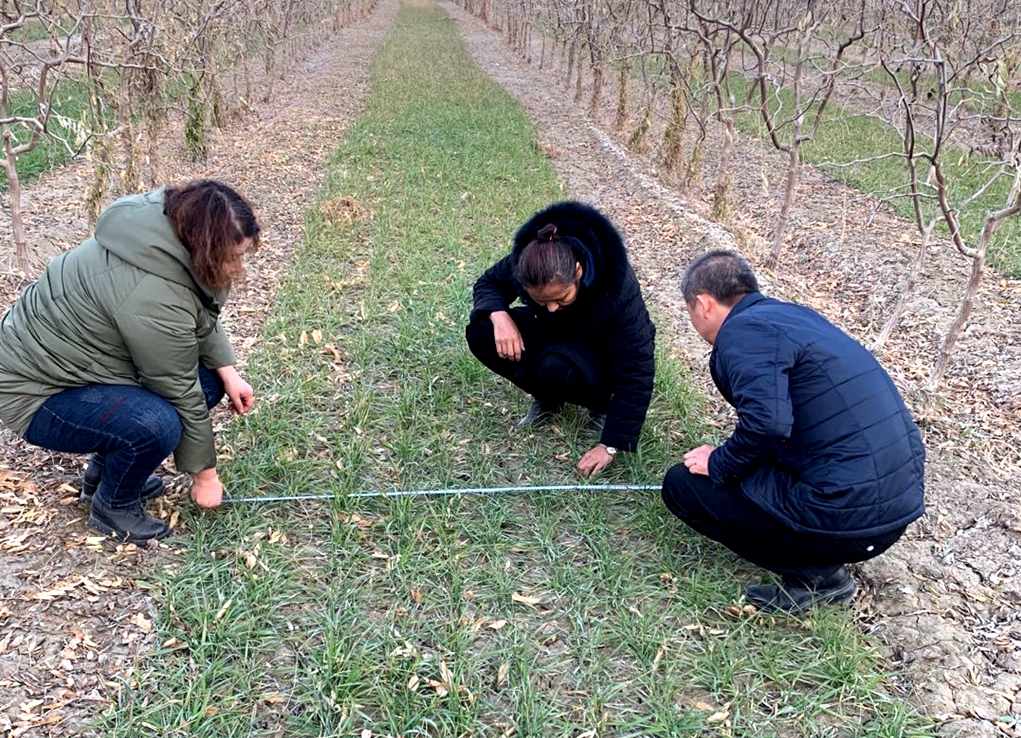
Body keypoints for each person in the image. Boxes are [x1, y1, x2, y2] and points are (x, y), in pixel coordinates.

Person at [663, 249, 925, 613]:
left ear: (704, 304)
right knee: (751, 466)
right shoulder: (793, 316)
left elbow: (768, 426)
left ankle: (818, 577)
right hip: (896, 506)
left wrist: (719, 462)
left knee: (682, 485)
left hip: (850, 515)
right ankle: (816, 546)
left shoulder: (742, 332)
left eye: (689, 309)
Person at [0, 180, 260, 543]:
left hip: (76, 368)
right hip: (35, 393)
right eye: (231, 257)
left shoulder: (160, 230)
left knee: (212, 380)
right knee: (157, 424)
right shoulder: (151, 292)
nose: (236, 267)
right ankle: (113, 505)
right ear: (203, 244)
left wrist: (228, 372)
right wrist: (205, 476)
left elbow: (197, 312)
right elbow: (178, 386)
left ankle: (103, 476)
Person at [466, 201, 656, 477]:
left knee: (556, 369)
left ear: (578, 271)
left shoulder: (616, 284)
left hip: (602, 353)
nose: (552, 307)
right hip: (558, 336)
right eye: (541, 301)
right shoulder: (531, 262)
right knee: (482, 333)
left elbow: (637, 364)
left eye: (561, 298)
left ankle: (602, 405)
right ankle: (548, 397)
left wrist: (612, 443)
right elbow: (488, 283)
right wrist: (498, 315)